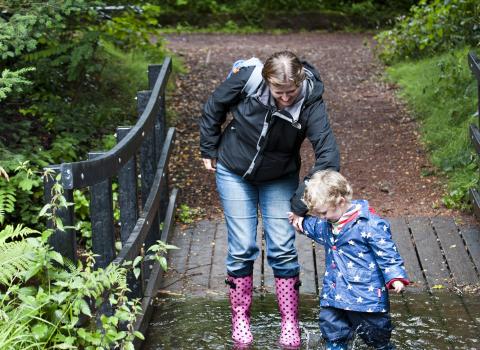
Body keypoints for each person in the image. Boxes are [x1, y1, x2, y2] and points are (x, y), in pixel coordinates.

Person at [200, 51, 340, 347]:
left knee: (282, 247)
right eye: (279, 92)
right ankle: (240, 319)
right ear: (267, 82)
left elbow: (328, 156)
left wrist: (302, 203)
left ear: (301, 82)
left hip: (280, 176)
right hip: (234, 170)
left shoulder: (311, 101)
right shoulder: (248, 79)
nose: (286, 98)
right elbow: (214, 105)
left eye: (292, 91)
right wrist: (208, 148)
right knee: (242, 247)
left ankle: (290, 322)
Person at [288, 170, 409, 350]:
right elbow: (311, 225)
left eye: (323, 212)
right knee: (332, 329)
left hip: (366, 297)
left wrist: (395, 276)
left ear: (341, 202)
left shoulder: (370, 224)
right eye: (317, 214)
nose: (321, 217)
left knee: (376, 335)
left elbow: (387, 253)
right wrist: (299, 222)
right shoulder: (326, 223)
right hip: (334, 293)